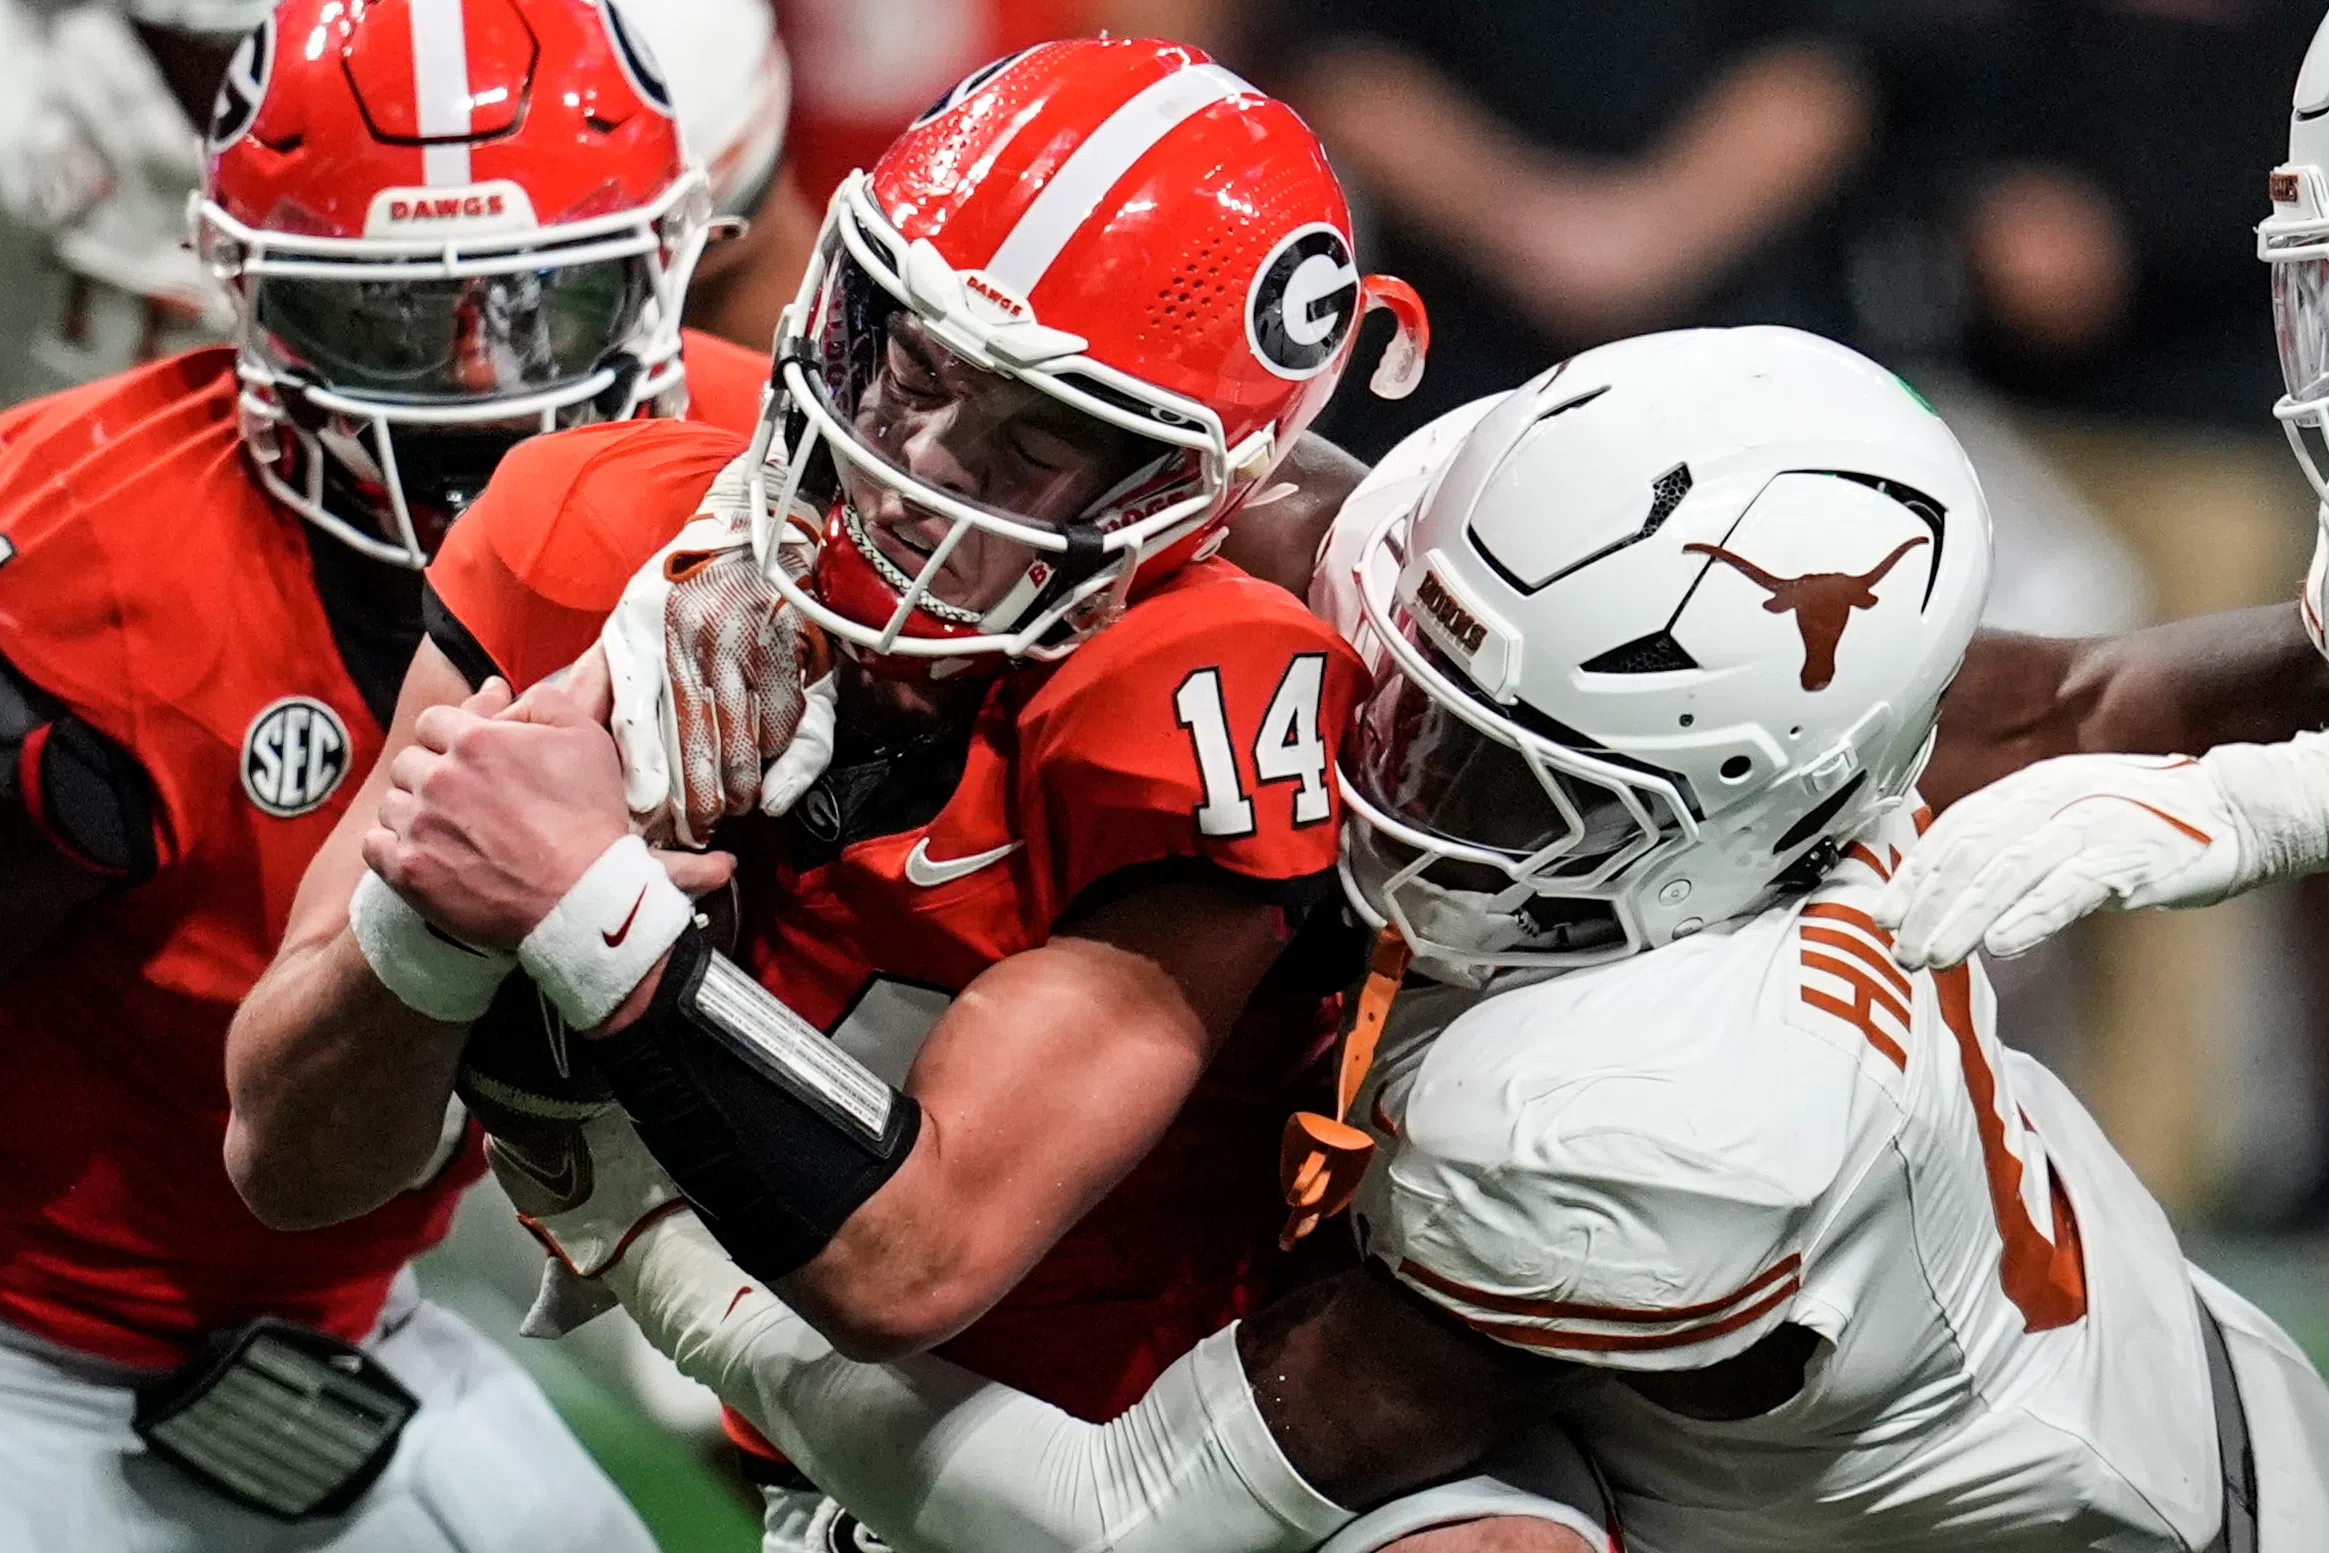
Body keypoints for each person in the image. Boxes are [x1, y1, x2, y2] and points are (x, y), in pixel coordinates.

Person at [511, 328, 2329, 1553]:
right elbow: (2096, 690)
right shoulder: (1725, 692)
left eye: (1504, 783)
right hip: (2160, 1371)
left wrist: (664, 1260)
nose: (1386, 779)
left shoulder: (1643, 1125)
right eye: (1414, 694)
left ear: (1751, 814)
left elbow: (1135, 1516)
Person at [222, 35, 1424, 1547]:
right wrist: (438, 918)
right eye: (908, 362)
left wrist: (585, 910)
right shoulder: (599, 527)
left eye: (1031, 442)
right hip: (825, 1479)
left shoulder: (1211, 691)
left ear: (1183, 491)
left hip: (1184, 1454)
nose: (911, 454)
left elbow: (914, 1261)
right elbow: (287, 1159)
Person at [0, 0, 770, 1546]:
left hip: (366, 1324)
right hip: (38, 1356)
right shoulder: (80, 561)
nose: (484, 389)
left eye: (548, 300)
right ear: (235, 288)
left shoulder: (758, 474)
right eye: (397, 321)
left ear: (673, 254)